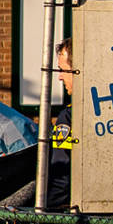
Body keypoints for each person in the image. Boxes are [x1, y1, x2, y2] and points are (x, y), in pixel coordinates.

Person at [46, 38, 75, 210]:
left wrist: (46, 207)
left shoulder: (69, 117)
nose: (60, 77)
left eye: (64, 70)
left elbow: (61, 171)